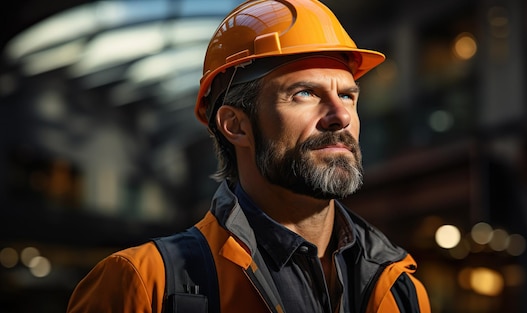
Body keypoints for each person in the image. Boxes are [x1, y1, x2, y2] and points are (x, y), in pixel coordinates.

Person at [67, 0, 431, 312]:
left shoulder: (402, 287)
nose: (342, 116)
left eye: (348, 95)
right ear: (235, 125)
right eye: (304, 93)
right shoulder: (143, 284)